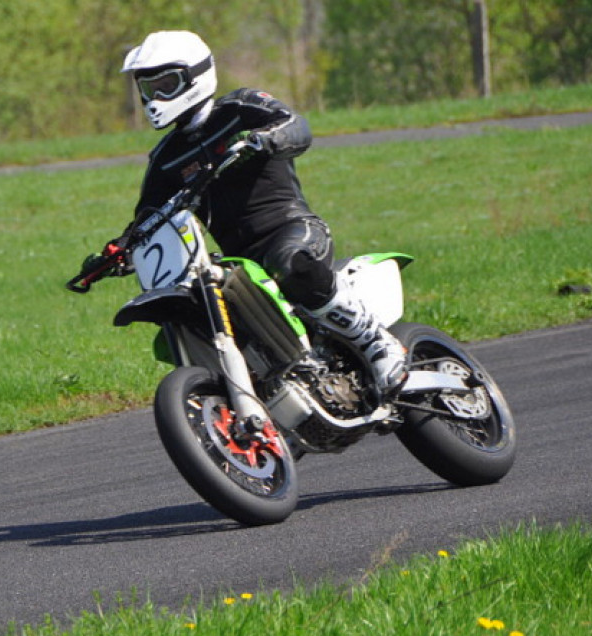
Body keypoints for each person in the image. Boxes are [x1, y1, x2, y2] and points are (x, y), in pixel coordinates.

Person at [79, 30, 406, 394]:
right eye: (148, 88)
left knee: (290, 263)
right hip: (235, 261)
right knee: (202, 307)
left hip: (290, 230)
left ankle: (375, 341)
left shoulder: (241, 108)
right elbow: (148, 218)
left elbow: (296, 126)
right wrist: (116, 252)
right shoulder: (165, 159)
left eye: (165, 85)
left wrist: (266, 139)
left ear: (195, 75)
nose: (155, 99)